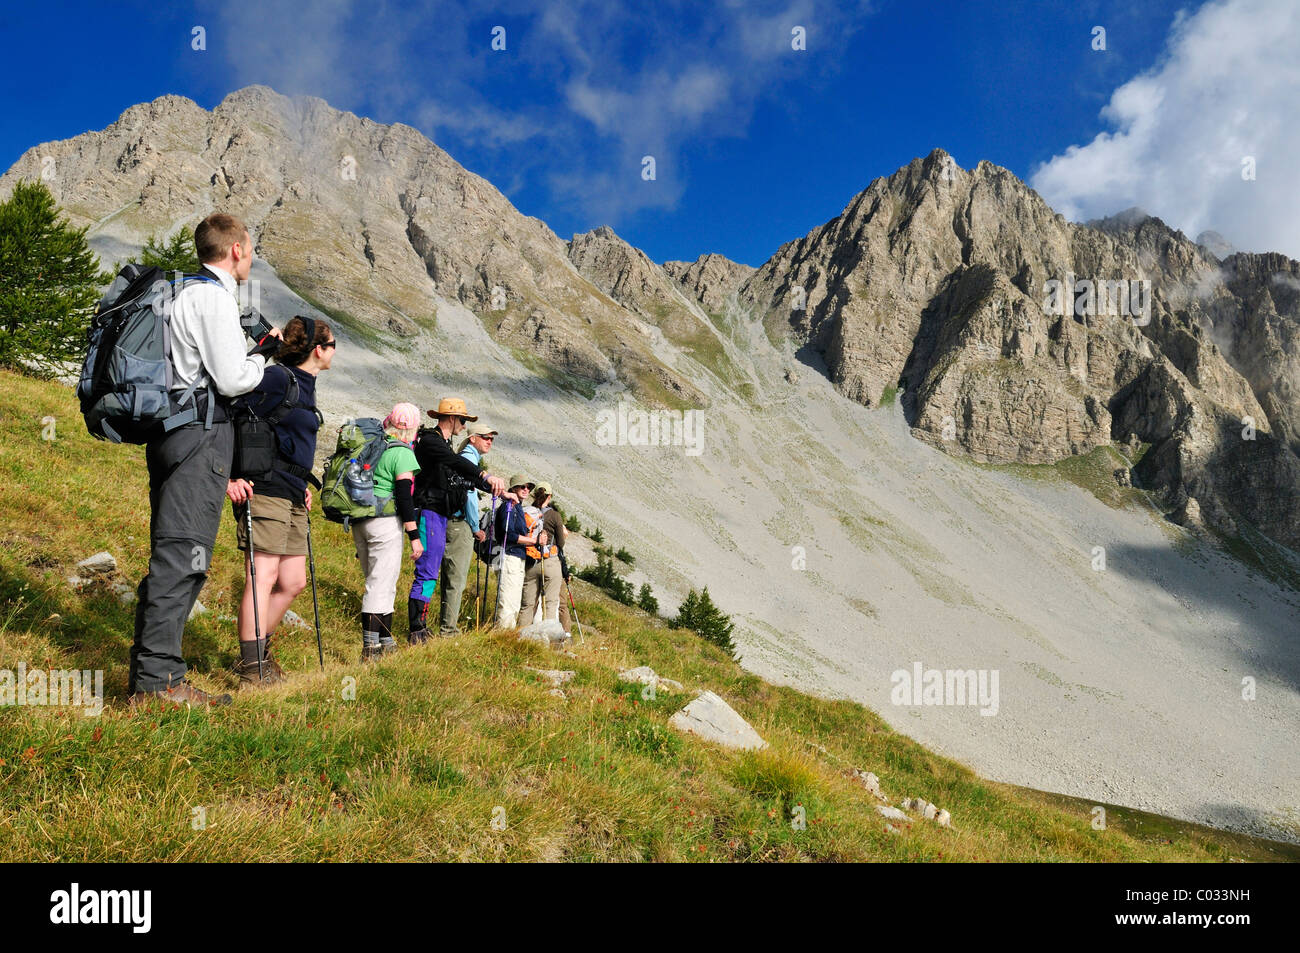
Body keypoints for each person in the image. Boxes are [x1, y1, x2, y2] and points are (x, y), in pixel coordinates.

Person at [128, 213, 281, 708]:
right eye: (250, 248)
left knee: (170, 551)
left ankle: (153, 672)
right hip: (200, 438)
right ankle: (159, 684)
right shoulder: (213, 298)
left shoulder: (176, 293)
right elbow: (234, 379)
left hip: (169, 431)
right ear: (236, 249)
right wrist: (266, 356)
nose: (251, 258)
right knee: (185, 556)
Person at [225, 316, 334, 687]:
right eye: (332, 344)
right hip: (264, 487)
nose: (334, 351)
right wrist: (230, 475)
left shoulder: (306, 385)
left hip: (291, 491)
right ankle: (253, 668)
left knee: (293, 580)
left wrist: (301, 478)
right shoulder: (276, 378)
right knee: (264, 575)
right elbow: (232, 414)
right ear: (318, 349)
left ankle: (257, 652)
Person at [409, 399, 506, 643]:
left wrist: (499, 490)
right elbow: (456, 463)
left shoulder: (443, 443)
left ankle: (421, 626)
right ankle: (416, 629)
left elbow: (459, 475)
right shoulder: (431, 441)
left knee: (432, 571)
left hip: (439, 514)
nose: (464, 426)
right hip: (428, 511)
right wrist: (484, 474)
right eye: (463, 421)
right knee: (428, 571)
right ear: (450, 418)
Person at [351, 403, 423, 660]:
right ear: (412, 429)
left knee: (383, 581)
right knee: (379, 585)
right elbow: (405, 498)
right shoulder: (402, 453)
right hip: (385, 522)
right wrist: (415, 536)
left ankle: (385, 640)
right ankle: (370, 651)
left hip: (361, 520)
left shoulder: (373, 446)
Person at [437, 421, 498, 636]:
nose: (490, 442)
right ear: (472, 439)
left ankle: (446, 624)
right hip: (460, 523)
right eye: (485, 437)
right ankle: (448, 630)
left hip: (448, 522)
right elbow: (469, 496)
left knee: (449, 576)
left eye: (491, 438)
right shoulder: (470, 459)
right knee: (456, 578)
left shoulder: (464, 457)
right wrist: (475, 526)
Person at [493, 474, 538, 628]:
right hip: (508, 556)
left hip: (517, 558)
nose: (526, 490)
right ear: (513, 488)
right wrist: (533, 541)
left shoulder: (517, 507)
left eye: (528, 487)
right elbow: (509, 535)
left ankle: (507, 635)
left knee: (514, 602)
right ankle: (502, 637)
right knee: (507, 602)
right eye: (522, 486)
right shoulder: (508, 506)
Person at [519, 483, 561, 625]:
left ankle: (520, 639)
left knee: (527, 605)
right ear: (549, 496)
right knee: (550, 604)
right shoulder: (554, 515)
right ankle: (547, 643)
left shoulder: (526, 511)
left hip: (531, 561)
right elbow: (560, 542)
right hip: (549, 562)